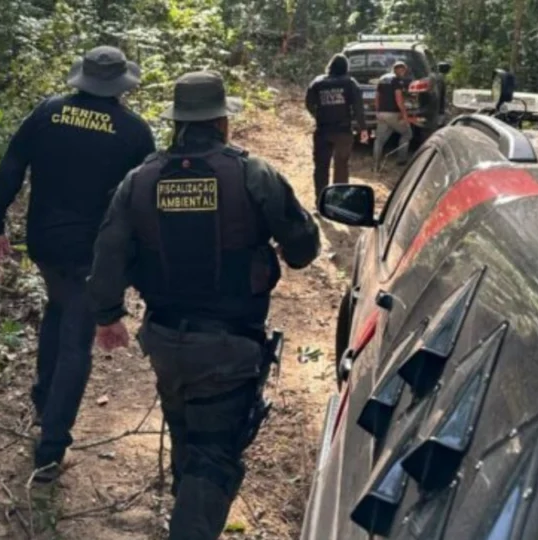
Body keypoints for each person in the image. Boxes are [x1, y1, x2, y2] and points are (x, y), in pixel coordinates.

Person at [87, 70, 320, 539]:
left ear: (178, 122)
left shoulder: (140, 180)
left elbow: (108, 252)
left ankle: (186, 513)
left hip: (167, 340)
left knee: (188, 436)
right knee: (213, 456)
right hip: (229, 346)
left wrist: (108, 315)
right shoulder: (254, 174)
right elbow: (303, 249)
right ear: (221, 122)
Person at [0, 45, 156, 484]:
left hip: (44, 243)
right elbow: (144, 203)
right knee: (77, 335)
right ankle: (51, 448)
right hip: (93, 251)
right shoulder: (134, 131)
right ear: (121, 86)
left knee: (58, 309)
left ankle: (44, 400)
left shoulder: (47, 112)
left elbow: (10, 168)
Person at [305, 53, 367, 206]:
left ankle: (320, 202)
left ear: (330, 66)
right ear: (346, 67)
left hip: (322, 130)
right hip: (343, 131)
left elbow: (308, 103)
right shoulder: (350, 83)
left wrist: (318, 115)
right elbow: (358, 108)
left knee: (321, 167)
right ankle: (338, 203)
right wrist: (362, 128)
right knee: (341, 167)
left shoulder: (318, 82)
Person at [373, 60, 413, 170]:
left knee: (379, 140)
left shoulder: (382, 79)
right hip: (393, 113)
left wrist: (377, 112)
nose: (403, 72)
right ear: (396, 69)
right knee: (407, 134)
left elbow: (376, 96)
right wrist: (404, 115)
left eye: (403, 69)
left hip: (381, 114)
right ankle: (401, 160)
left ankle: (376, 166)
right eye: (401, 69)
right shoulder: (397, 80)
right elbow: (399, 99)